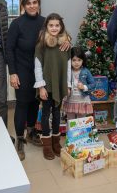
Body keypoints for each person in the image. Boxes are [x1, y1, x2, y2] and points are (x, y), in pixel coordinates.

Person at [6, 0, 45, 161]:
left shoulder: (44, 22)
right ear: (23, 6)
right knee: (22, 104)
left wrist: (66, 40)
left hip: (39, 71)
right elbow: (9, 49)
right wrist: (12, 73)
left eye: (34, 2)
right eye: (28, 3)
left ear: (38, 4)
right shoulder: (16, 24)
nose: (32, 6)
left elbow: (58, 34)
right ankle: (20, 140)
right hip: (21, 70)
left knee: (35, 103)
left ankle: (31, 133)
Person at [34, 13, 71, 160]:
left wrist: (67, 85)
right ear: (46, 26)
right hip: (46, 85)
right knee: (46, 114)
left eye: (57, 25)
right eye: (51, 25)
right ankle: (47, 145)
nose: (54, 28)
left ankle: (56, 142)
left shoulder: (65, 44)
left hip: (60, 84)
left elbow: (68, 66)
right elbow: (37, 66)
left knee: (57, 114)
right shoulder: (41, 44)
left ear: (61, 26)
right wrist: (41, 87)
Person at [63, 47, 95, 120]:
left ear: (83, 60)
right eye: (74, 60)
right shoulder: (67, 71)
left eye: (79, 60)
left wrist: (84, 87)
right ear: (69, 60)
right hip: (70, 101)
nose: (76, 63)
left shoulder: (86, 71)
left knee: (81, 122)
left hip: (82, 101)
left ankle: (81, 132)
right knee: (70, 122)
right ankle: (70, 132)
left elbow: (93, 84)